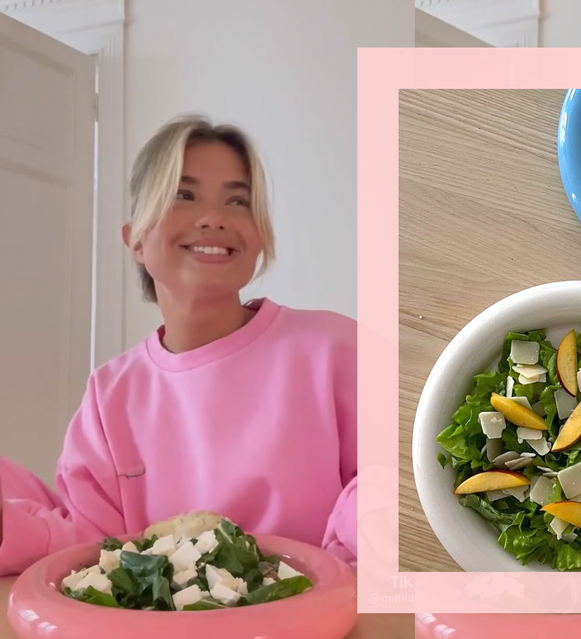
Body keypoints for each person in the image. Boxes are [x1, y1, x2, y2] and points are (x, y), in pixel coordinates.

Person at [0, 116, 357, 576]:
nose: (215, 218)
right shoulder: (111, 393)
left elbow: (398, 479)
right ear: (136, 241)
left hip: (327, 628)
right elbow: (94, 546)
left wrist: (332, 571)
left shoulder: (335, 349)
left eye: (238, 200)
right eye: (183, 195)